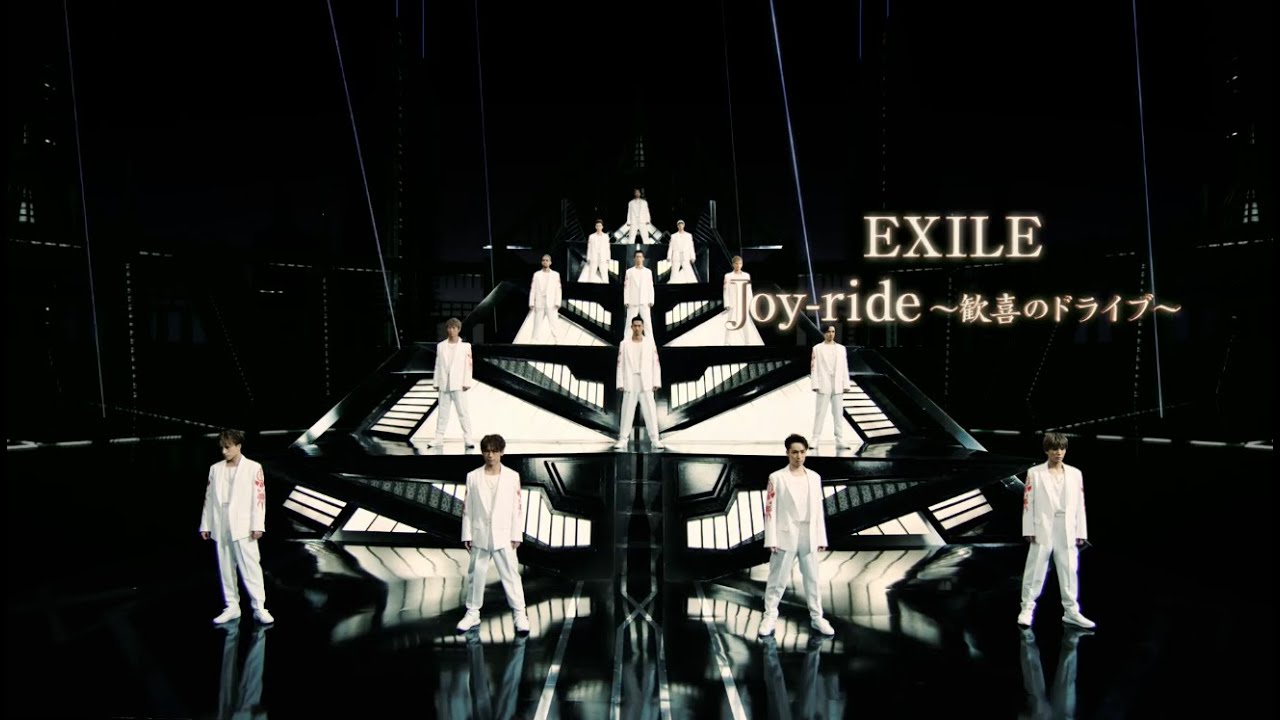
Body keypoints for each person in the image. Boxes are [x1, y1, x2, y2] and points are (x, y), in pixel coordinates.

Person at [760, 434, 834, 637]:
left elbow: (818, 509)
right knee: (777, 580)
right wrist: (771, 538)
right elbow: (770, 510)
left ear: (806, 452)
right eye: (794, 452)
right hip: (785, 535)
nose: (798, 456)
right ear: (787, 453)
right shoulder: (777, 477)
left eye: (802, 452)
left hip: (808, 533)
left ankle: (817, 617)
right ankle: (769, 616)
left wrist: (821, 537)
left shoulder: (814, 477)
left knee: (812, 579)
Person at [1018, 432, 1095, 629]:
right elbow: (1028, 502)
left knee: (1069, 568)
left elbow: (1080, 505)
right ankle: (1027, 608)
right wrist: (1028, 528)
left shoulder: (1075, 473)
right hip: (1042, 525)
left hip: (1067, 525)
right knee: (1036, 567)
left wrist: (1081, 532)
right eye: (1054, 449)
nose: (1059, 452)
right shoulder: (1035, 473)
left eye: (1062, 448)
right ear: (1047, 450)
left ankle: (1071, 612)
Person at [456, 434, 531, 634]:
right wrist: (467, 534)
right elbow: (467, 507)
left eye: (494, 451)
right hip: (480, 534)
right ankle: (472, 613)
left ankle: (520, 614)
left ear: (501, 452)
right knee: (476, 575)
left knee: (511, 576)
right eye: (487, 451)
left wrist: (516, 534)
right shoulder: (473, 476)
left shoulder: (512, 476)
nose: (490, 455)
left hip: (504, 535)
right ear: (482, 453)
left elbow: (517, 507)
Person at [200, 429, 274, 625]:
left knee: (250, 567)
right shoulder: (215, 469)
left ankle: (259, 608)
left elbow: (259, 498)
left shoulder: (253, 467)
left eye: (228, 447)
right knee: (225, 566)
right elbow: (209, 497)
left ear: (238, 446)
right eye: (222, 448)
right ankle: (231, 606)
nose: (224, 451)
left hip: (243, 523)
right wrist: (206, 524)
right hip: (221, 520)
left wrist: (257, 524)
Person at [615, 316, 664, 450]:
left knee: (650, 411)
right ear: (631, 327)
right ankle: (623, 439)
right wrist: (620, 382)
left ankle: (655, 439)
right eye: (635, 326)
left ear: (642, 327)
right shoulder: (624, 344)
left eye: (639, 325)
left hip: (646, 381)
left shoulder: (650, 343)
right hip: (630, 380)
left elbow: (655, 363)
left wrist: (656, 381)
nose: (637, 328)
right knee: (627, 411)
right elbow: (620, 364)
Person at [430, 318, 477, 448]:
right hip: (444, 384)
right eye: (449, 328)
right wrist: (436, 382)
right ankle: (438, 438)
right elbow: (438, 365)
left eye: (454, 328)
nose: (451, 330)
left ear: (458, 329)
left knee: (463, 412)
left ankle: (468, 438)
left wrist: (467, 382)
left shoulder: (465, 346)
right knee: (442, 413)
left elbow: (468, 365)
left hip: (459, 384)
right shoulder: (441, 346)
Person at [811, 325, 852, 449]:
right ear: (824, 333)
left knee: (838, 413)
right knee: (820, 412)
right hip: (824, 382)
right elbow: (814, 367)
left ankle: (840, 439)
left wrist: (846, 383)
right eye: (828, 331)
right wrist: (815, 384)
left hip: (837, 383)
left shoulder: (841, 349)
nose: (831, 334)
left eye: (833, 331)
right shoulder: (817, 348)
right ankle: (815, 438)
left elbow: (844, 366)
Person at [722, 255, 761, 345]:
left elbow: (749, 290)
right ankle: (727, 342)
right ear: (733, 264)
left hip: (743, 303)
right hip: (733, 303)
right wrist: (727, 303)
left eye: (740, 263)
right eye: (736, 263)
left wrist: (751, 303)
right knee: (730, 322)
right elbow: (726, 290)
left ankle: (747, 342)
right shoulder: (728, 276)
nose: (738, 265)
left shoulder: (746, 276)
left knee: (746, 322)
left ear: (742, 264)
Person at [528, 254, 562, 344]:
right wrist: (531, 302)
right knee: (537, 324)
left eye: (547, 260)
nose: (545, 262)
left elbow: (558, 289)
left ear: (550, 262)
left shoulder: (555, 275)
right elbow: (533, 289)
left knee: (554, 324)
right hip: (540, 302)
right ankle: (534, 341)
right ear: (541, 262)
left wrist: (558, 302)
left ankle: (558, 341)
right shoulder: (537, 275)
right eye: (543, 260)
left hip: (551, 303)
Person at [623, 250, 655, 335]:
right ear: (634, 258)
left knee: (647, 324)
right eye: (637, 257)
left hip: (645, 301)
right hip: (632, 301)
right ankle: (627, 340)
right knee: (629, 323)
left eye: (640, 257)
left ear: (643, 258)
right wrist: (626, 301)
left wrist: (651, 300)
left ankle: (650, 341)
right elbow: (627, 287)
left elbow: (650, 287)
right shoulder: (629, 272)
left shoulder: (648, 272)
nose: (638, 259)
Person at [580, 219, 611, 283]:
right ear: (595, 227)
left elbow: (608, 248)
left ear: (602, 227)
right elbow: (589, 248)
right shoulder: (591, 236)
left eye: (600, 226)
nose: (599, 227)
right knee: (591, 274)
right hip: (593, 257)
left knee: (604, 274)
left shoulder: (606, 236)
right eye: (597, 226)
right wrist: (588, 258)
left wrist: (608, 258)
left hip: (603, 257)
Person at [667, 220, 697, 284]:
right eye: (679, 225)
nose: (680, 226)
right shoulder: (673, 236)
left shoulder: (688, 235)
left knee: (688, 270)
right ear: (677, 226)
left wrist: (693, 257)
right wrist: (669, 256)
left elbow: (691, 247)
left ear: (684, 225)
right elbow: (671, 247)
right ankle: (672, 284)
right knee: (674, 271)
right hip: (676, 255)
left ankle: (692, 283)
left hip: (685, 255)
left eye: (682, 225)